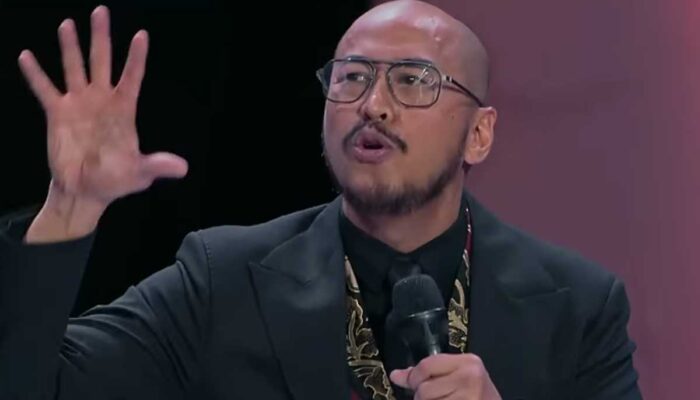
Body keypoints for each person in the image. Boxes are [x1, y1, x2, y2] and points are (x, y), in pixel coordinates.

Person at [0, 1, 642, 399]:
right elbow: (34, 385)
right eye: (352, 77)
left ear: (479, 133)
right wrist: (69, 208)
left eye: (413, 80)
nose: (373, 104)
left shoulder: (579, 307)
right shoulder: (224, 279)